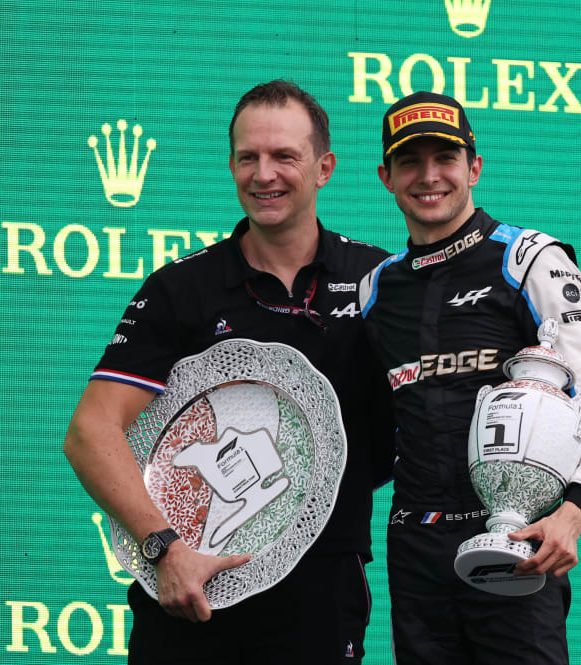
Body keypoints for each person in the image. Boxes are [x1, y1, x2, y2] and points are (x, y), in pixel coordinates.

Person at [64, 80, 394, 665]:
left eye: (284, 156)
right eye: (249, 157)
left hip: (321, 589)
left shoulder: (379, 282)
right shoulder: (179, 288)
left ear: (324, 168)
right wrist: (164, 549)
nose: (263, 174)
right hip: (191, 591)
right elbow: (90, 432)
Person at [358, 91, 581, 664]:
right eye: (410, 161)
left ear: (474, 167)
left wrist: (573, 512)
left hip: (516, 542)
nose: (429, 176)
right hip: (416, 549)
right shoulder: (376, 288)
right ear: (386, 176)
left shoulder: (529, 259)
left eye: (446, 159)